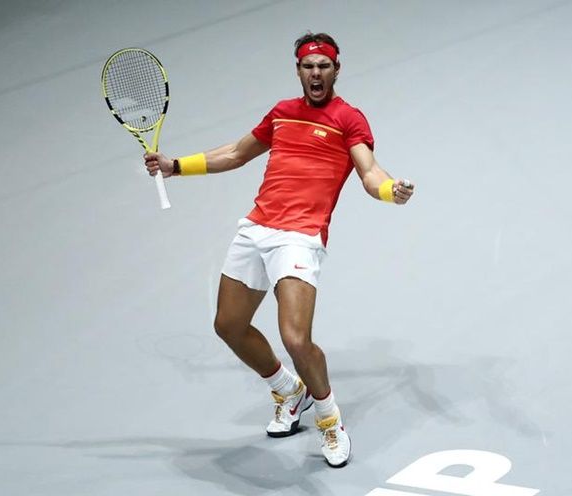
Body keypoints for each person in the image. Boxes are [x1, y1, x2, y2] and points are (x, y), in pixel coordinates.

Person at [144, 32, 414, 468]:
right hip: (256, 228)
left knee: (294, 337)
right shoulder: (283, 113)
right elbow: (235, 153)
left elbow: (369, 171)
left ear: (336, 70)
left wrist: (389, 190)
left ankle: (329, 420)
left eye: (324, 66)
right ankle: (290, 390)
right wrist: (176, 166)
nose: (316, 74)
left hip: (300, 236)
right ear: (299, 71)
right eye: (309, 67)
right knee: (228, 325)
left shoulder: (349, 119)